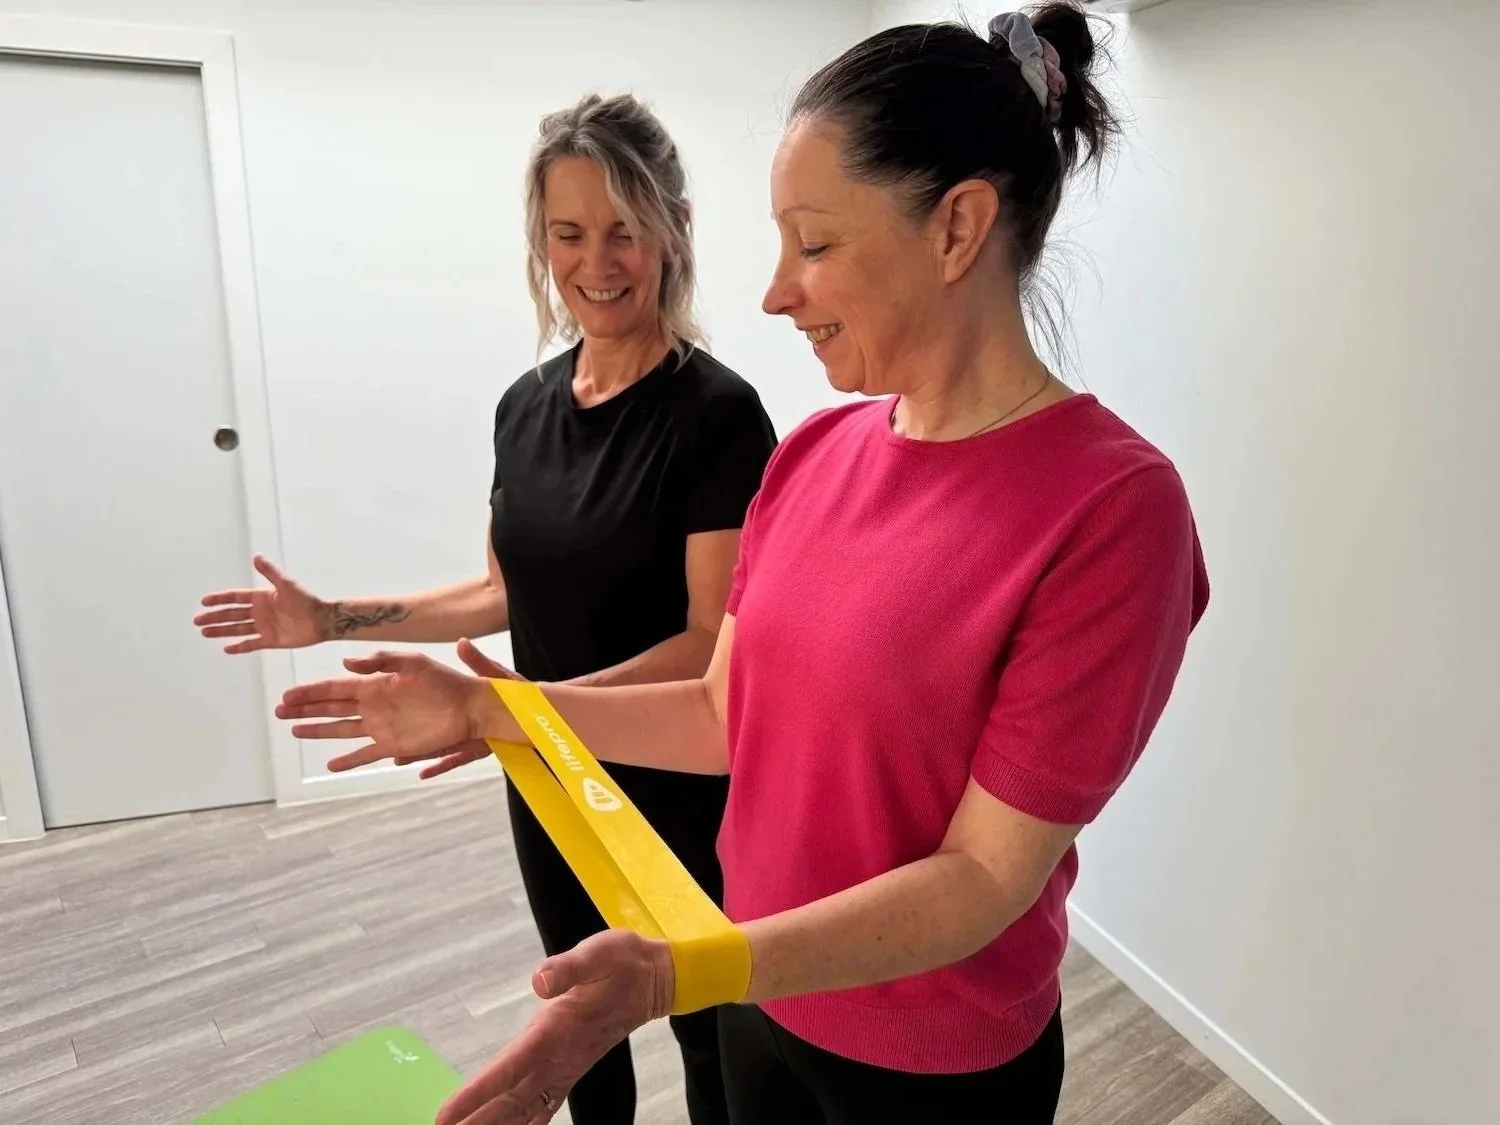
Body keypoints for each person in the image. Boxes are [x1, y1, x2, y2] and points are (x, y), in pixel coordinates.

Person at [274, 6, 1210, 1124]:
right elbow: (728, 713)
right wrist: (494, 710)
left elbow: (982, 882)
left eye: (814, 245)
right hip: (760, 994)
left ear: (959, 227)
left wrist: (683, 975)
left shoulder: (1110, 510)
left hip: (929, 1060)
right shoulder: (818, 452)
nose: (775, 292)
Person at [195, 92, 777, 1125]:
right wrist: (332, 617)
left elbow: (704, 639)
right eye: (569, 233)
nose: (597, 262)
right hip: (543, 772)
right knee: (576, 1012)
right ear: (539, 242)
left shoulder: (719, 417)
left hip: (677, 783)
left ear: (672, 235)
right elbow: (503, 588)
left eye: (625, 232)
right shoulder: (525, 406)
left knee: (705, 1030)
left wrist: (523, 708)